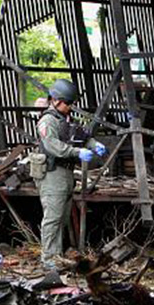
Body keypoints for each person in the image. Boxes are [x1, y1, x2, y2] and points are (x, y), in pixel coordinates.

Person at [33, 79, 106, 269]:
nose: (70, 106)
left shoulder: (65, 119)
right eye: (68, 103)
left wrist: (93, 144)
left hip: (66, 173)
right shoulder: (47, 121)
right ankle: (49, 259)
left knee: (62, 217)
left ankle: (56, 255)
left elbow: (81, 135)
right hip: (52, 174)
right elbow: (53, 146)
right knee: (52, 218)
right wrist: (76, 152)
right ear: (56, 100)